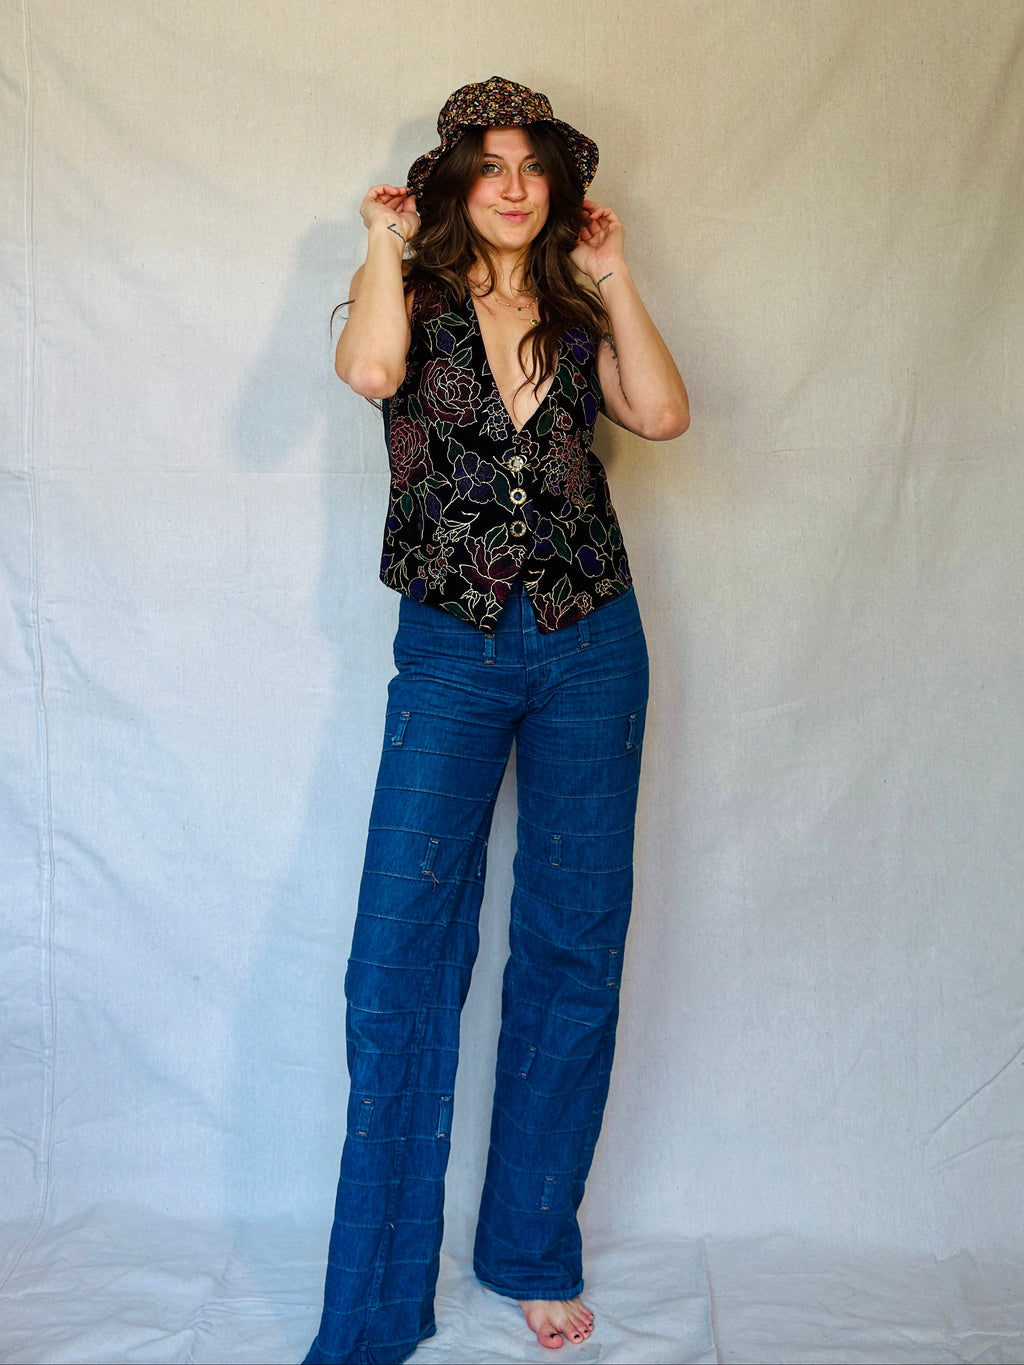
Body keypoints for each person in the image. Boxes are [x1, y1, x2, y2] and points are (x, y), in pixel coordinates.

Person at [304, 76, 689, 1365]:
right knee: (399, 960)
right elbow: (366, 373)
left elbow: (662, 411)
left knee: (574, 944)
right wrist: (376, 240)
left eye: (534, 167)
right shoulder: (404, 302)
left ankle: (530, 1246)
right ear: (457, 185)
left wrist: (619, 271)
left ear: (557, 192)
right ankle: (373, 1304)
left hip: (592, 641)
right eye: (492, 165)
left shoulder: (580, 317)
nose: (514, 185)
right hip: (455, 647)